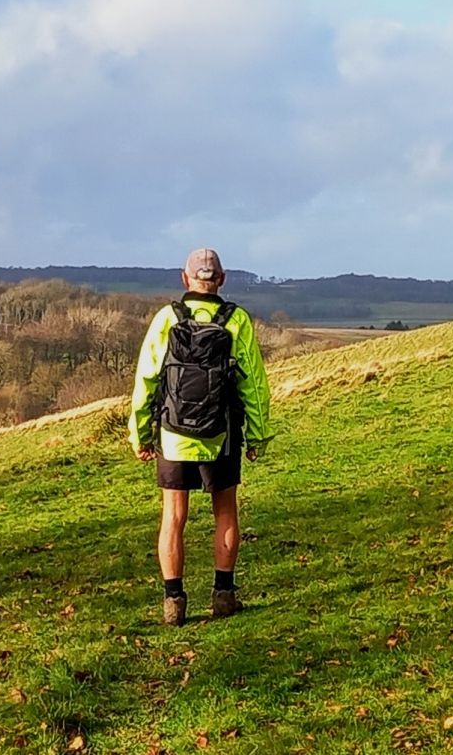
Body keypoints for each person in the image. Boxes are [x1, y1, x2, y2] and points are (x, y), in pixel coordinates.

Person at [128, 247, 270, 625]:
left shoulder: (166, 319)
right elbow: (253, 385)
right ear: (221, 280)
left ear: (185, 278)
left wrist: (141, 434)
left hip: (173, 435)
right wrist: (257, 436)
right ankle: (223, 595)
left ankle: (174, 602)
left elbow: (146, 381)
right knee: (225, 511)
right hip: (220, 435)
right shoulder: (236, 320)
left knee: (174, 517)